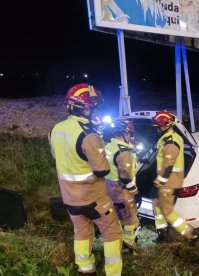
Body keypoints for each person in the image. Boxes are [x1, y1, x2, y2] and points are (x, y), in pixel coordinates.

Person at [49, 83, 122, 275]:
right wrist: (101, 147)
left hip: (70, 198)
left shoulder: (56, 129)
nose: (95, 109)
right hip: (93, 198)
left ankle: (85, 268)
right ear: (87, 107)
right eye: (94, 106)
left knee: (81, 232)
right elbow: (102, 170)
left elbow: (57, 156)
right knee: (112, 232)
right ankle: (113, 272)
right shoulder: (88, 135)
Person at [151, 111, 199, 242]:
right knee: (156, 204)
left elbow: (168, 166)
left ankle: (191, 234)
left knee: (167, 211)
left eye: (158, 126)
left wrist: (158, 183)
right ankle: (162, 233)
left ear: (166, 125)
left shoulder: (171, 142)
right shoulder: (167, 138)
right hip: (167, 180)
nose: (157, 129)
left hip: (169, 181)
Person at [104, 119, 140, 251]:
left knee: (117, 215)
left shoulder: (108, 146)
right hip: (122, 190)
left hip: (109, 188)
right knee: (131, 218)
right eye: (130, 134)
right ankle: (129, 243)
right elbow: (124, 175)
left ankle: (117, 238)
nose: (130, 137)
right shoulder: (124, 152)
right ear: (124, 133)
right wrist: (134, 190)